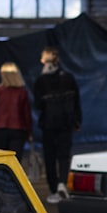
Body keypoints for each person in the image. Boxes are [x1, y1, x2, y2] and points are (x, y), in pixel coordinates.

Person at [33, 46, 81, 204]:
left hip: (48, 125)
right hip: (66, 124)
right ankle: (62, 184)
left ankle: (54, 190)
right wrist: (77, 121)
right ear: (57, 60)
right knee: (64, 156)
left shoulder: (41, 80)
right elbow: (76, 101)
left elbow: (38, 105)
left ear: (42, 60)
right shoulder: (68, 77)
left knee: (50, 157)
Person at [0, 62, 33, 161]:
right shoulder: (22, 92)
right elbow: (27, 115)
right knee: (15, 161)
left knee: (2, 162)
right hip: (18, 130)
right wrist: (30, 133)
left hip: (0, 130)